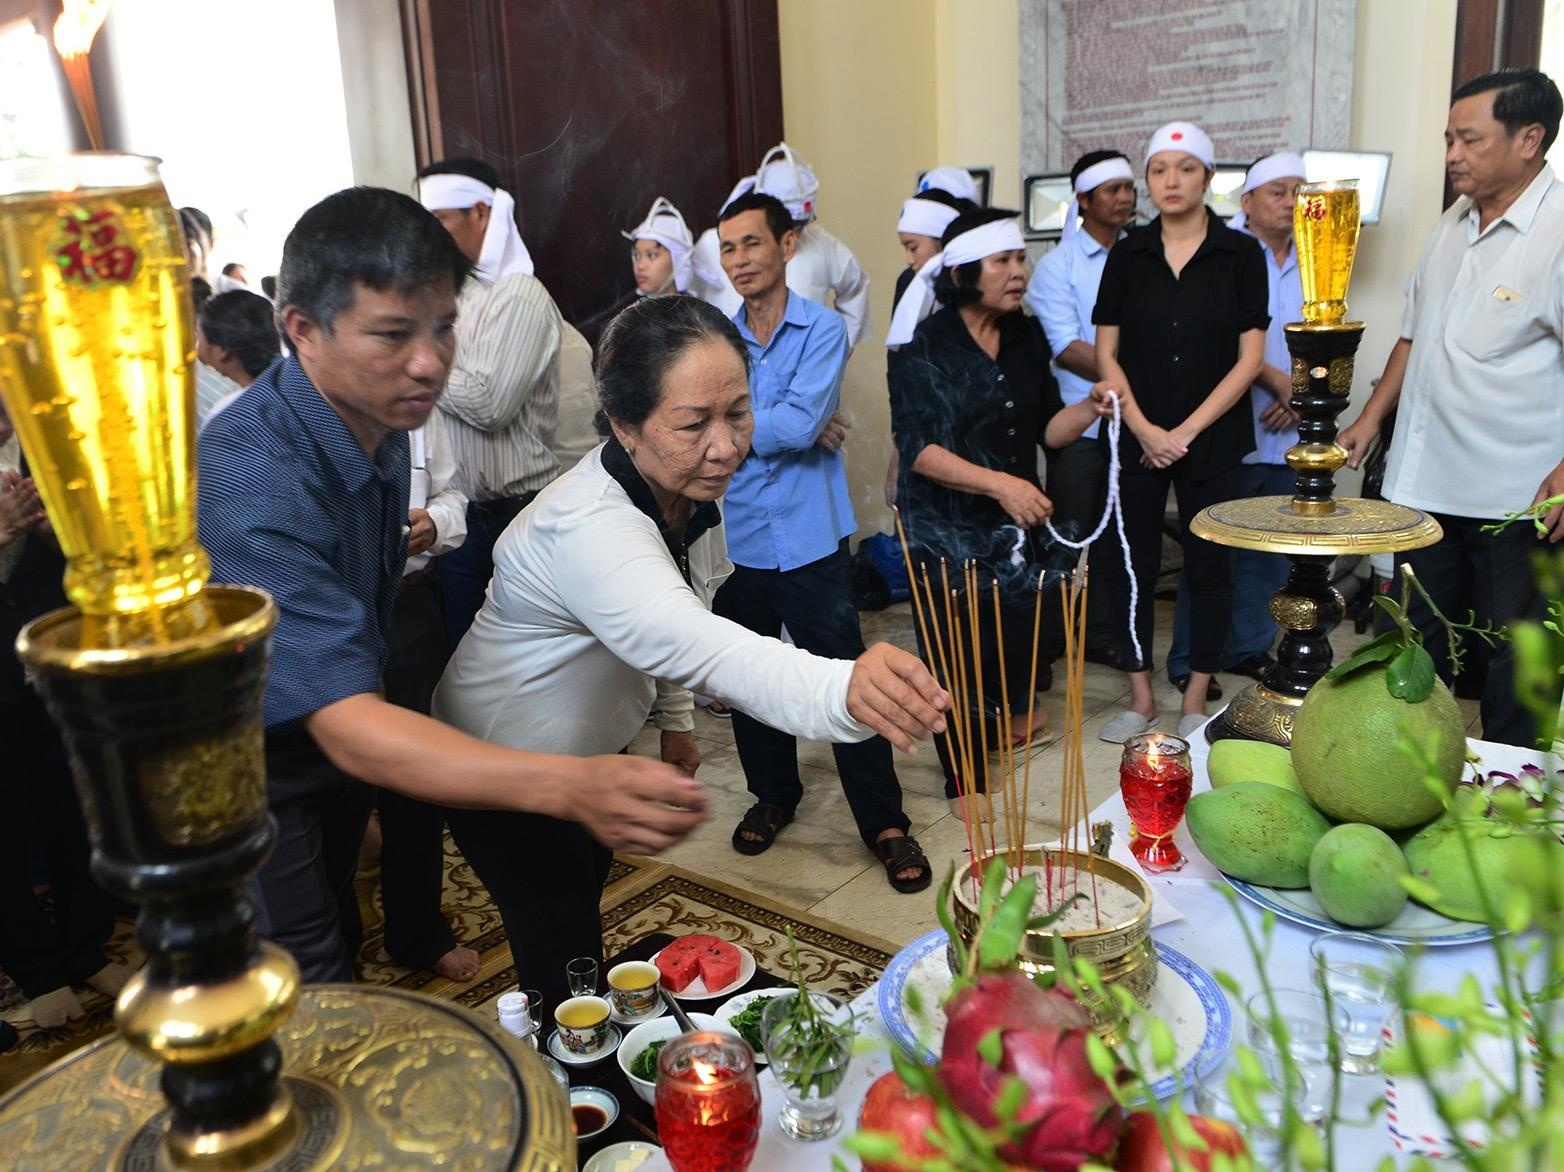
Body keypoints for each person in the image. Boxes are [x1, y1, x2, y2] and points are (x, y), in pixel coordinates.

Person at [198, 187, 710, 985]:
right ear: (300, 328)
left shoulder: (377, 418)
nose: (430, 362)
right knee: (305, 989)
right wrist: (568, 782)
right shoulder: (250, 467)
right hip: (255, 775)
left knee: (338, 923)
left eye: (443, 327)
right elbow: (344, 724)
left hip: (331, 748)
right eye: (393, 334)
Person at [433, 295, 948, 1004]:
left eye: (738, 414)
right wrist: (842, 687)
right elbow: (704, 643)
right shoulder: (590, 529)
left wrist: (675, 720)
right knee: (560, 949)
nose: (726, 445)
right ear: (623, 425)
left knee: (581, 901)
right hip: (503, 764)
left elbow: (677, 610)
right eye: (693, 423)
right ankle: (570, 1086)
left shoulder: (688, 495)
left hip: (584, 754)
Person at [709, 191, 930, 891]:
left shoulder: (822, 328)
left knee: (846, 684)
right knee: (749, 681)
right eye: (727, 248)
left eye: (750, 243)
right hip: (742, 535)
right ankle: (773, 795)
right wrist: (773, 422)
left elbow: (799, 425)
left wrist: (748, 426)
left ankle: (885, 822)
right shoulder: (715, 338)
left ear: (787, 245)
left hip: (810, 542)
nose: (739, 259)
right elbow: (724, 418)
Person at [1339, 69, 1564, 748]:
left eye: (1468, 139)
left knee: (1515, 657)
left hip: (1513, 498)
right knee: (1411, 642)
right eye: (1448, 138)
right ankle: (1406, 778)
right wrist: (1372, 417)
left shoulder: (1557, 230)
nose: (1451, 155)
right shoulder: (1451, 224)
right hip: (1421, 483)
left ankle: (1511, 797)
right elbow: (1415, 333)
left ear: (1530, 138)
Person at [888, 207, 1117, 807]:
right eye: (1004, 261)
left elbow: (1048, 429)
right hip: (943, 524)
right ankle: (962, 774)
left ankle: (999, 720)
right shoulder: (922, 343)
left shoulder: (1025, 335)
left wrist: (1090, 409)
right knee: (950, 652)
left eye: (1021, 258)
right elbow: (920, 449)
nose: (1020, 272)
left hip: (1009, 524)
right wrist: (1001, 485)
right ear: (964, 272)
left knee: (1013, 636)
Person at [1091, 121, 1268, 742]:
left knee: (1211, 566)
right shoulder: (1127, 254)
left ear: (1208, 179)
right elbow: (1105, 351)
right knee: (1130, 563)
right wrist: (1143, 428)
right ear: (1148, 181)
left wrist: (1184, 432)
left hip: (1210, 438)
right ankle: (1141, 697)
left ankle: (1197, 694)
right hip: (1137, 437)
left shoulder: (1240, 255)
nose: (1171, 180)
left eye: (1185, 168)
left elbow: (1250, 360)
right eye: (1160, 170)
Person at [0, 398, 132, 1029]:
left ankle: (86, 950)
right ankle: (37, 971)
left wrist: (68, 535)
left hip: (58, 662)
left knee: (77, 810)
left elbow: (107, 543)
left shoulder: (49, 443)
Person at [1165, 152, 1307, 694]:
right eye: (1278, 191)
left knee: (1273, 554)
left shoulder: (1314, 259)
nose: (1292, 201)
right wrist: (1273, 379)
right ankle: (1189, 659)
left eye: (1299, 190)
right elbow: (1207, 338)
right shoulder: (1220, 255)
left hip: (1291, 429)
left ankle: (1246, 648)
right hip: (1229, 429)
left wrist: (1303, 395)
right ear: (1246, 202)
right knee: (1212, 554)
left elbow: (1326, 334)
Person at [416, 157, 563, 643]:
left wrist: (418, 368)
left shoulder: (519, 295)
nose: (428, 234)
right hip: (460, 525)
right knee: (468, 677)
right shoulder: (455, 296)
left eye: (439, 219)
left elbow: (488, 404)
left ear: (481, 212)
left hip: (519, 517)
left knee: (527, 664)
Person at [374, 406, 479, 982]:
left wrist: (437, 523)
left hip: (409, 600)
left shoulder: (416, 410)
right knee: (330, 794)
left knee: (416, 778)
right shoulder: (272, 415)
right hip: (324, 609)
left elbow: (454, 497)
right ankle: (324, 956)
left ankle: (416, 933)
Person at [1023, 149, 1138, 664]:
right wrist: (1141, 380)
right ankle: (1046, 645)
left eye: (1128, 188)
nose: (1124, 198)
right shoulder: (1057, 267)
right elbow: (1066, 346)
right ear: (1084, 200)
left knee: (1121, 540)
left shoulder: (1143, 256)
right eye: (1111, 190)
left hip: (1137, 425)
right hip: (1081, 426)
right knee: (1066, 537)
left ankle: (1104, 637)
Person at [691, 143, 872, 348]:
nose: (740, 259)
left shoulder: (823, 244)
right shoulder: (711, 242)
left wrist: (841, 347)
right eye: (730, 249)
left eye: (800, 225)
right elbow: (686, 293)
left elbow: (855, 287)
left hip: (805, 362)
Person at [884, 185, 974, 507]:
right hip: (920, 439)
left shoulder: (975, 287)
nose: (909, 260)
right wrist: (899, 450)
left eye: (913, 247)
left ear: (941, 241)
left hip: (970, 443)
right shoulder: (909, 283)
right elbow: (898, 372)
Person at [195, 289, 282, 427]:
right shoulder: (301, 387)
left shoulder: (226, 420)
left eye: (198, 338)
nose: (196, 350)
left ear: (221, 351)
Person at [625, 196, 696, 296]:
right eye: (636, 256)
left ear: (679, 261)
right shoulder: (633, 311)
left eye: (652, 255)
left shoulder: (694, 311)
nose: (640, 266)